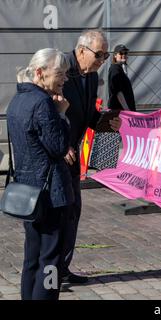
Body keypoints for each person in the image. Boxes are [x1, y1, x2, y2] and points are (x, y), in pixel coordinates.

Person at [7, 48, 74, 300]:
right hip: (50, 194)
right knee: (51, 261)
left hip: (28, 192)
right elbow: (57, 147)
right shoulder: (43, 103)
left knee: (32, 258)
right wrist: (62, 114)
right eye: (60, 73)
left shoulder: (17, 99)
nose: (64, 79)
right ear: (40, 72)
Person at [62, 29, 121, 284]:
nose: (103, 60)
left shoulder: (91, 75)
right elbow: (49, 113)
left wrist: (108, 123)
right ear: (82, 50)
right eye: (100, 54)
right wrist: (61, 145)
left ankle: (62, 268)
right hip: (58, 154)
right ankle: (49, 274)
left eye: (106, 55)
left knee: (73, 211)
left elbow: (88, 117)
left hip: (74, 156)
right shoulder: (61, 67)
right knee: (58, 213)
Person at [107, 44, 136, 111]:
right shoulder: (115, 69)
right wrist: (127, 110)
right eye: (121, 53)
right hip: (120, 112)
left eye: (125, 53)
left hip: (123, 111)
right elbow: (118, 92)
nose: (124, 55)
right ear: (115, 55)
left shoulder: (120, 68)